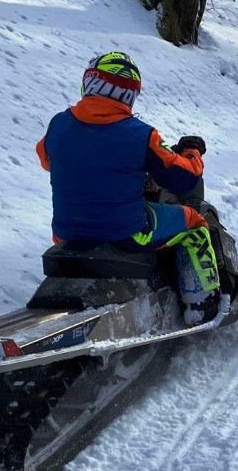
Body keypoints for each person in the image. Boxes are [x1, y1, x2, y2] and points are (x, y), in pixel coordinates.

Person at [36, 52, 220, 322]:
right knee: (194, 221)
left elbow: (46, 161)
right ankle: (202, 305)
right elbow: (184, 179)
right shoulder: (141, 134)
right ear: (129, 94)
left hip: (67, 234)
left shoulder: (57, 125)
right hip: (125, 233)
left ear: (89, 83)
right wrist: (193, 151)